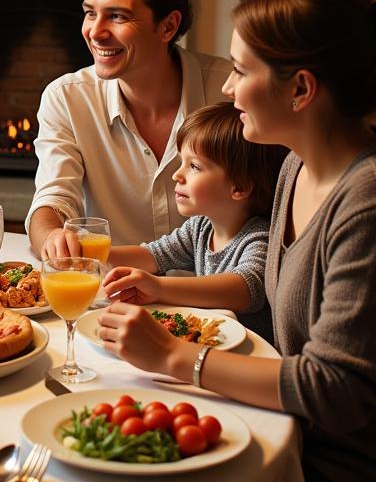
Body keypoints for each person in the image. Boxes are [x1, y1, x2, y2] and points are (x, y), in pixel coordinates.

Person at [98, 0, 376, 482]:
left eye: (241, 70)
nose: (230, 90)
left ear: (300, 89)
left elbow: (336, 391)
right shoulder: (295, 169)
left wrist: (174, 357)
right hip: (294, 434)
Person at [26, 0, 230, 255]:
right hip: (115, 294)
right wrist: (52, 236)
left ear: (168, 26)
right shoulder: (66, 98)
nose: (95, 32)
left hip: (215, 294)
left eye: (117, 16)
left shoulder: (229, 91)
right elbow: (52, 201)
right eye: (90, 13)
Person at [101, 101, 287, 339]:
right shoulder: (201, 227)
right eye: (182, 162)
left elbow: (244, 288)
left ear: (239, 187)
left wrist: (158, 288)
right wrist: (90, 255)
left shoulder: (259, 238)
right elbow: (152, 255)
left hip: (248, 360)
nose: (177, 174)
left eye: (195, 167)